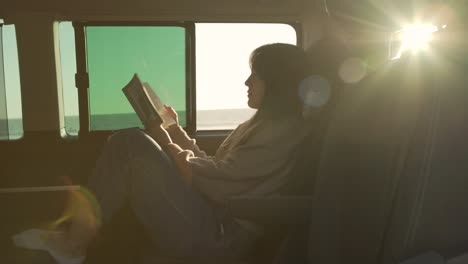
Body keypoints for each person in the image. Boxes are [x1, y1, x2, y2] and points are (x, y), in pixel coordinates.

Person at [13, 43, 311, 263]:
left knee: (131, 143)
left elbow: (217, 183)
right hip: (213, 217)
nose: (247, 82)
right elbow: (217, 167)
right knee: (127, 142)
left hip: (221, 237)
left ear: (278, 82)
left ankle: (73, 241)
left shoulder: (283, 131)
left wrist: (160, 135)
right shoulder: (260, 124)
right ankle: (74, 238)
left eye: (255, 75)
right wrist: (174, 131)